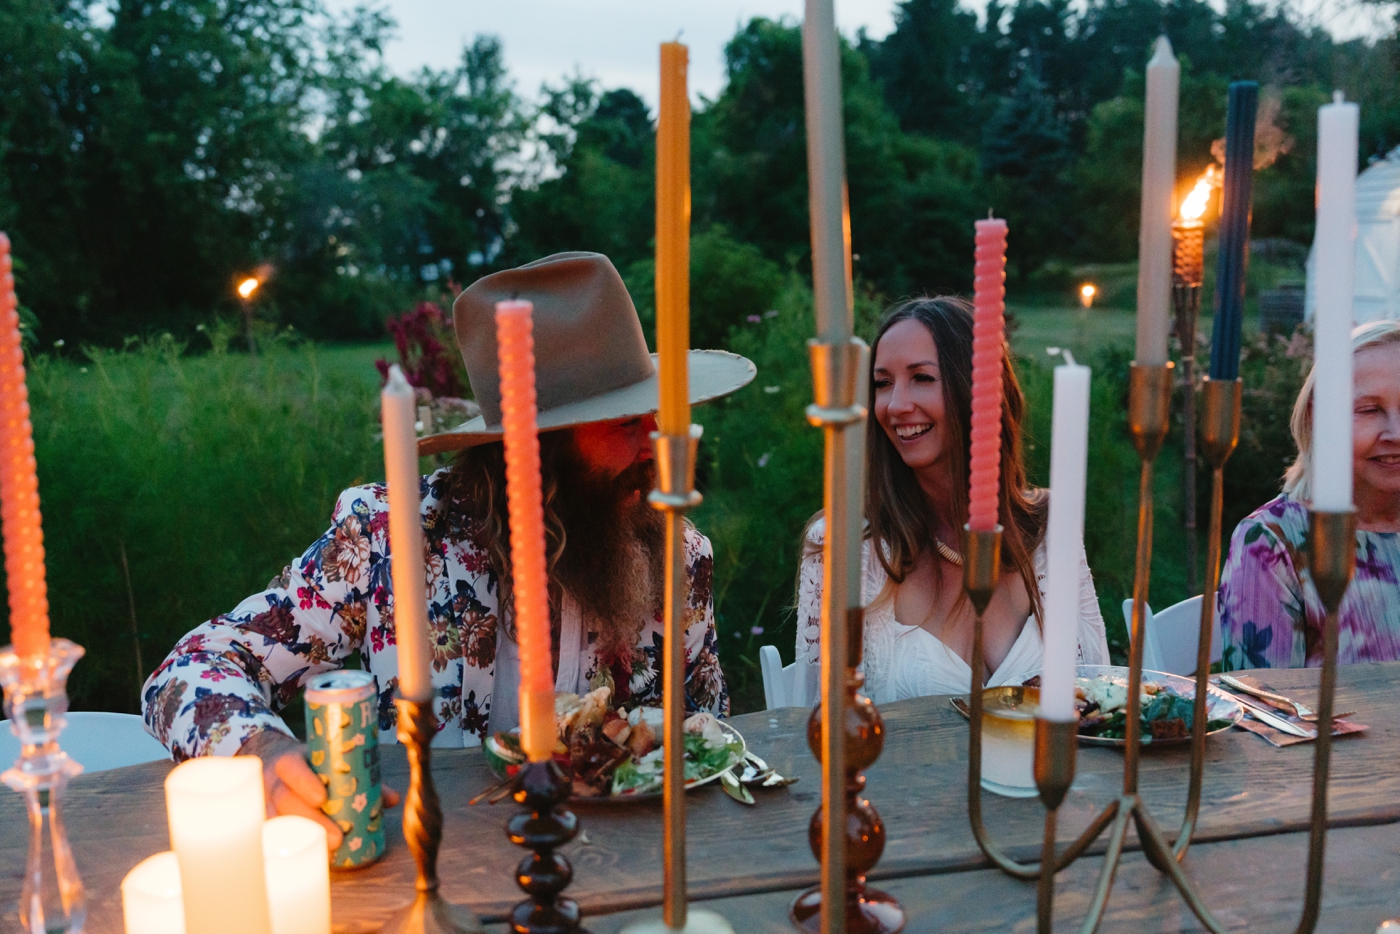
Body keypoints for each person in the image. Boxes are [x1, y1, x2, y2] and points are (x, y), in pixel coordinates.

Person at [141, 252, 755, 843]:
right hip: (431, 869)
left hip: (624, 879)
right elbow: (189, 670)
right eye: (627, 424)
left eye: (654, 415)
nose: (658, 442)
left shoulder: (676, 554)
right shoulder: (391, 537)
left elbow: (710, 737)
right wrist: (263, 752)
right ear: (539, 448)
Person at [795, 298, 1109, 703]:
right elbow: (810, 720)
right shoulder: (844, 545)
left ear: (978, 393)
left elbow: (1098, 689)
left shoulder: (1049, 525)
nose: (895, 405)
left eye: (922, 378)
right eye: (882, 383)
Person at [1219, 319, 1400, 670]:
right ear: (1321, 418)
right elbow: (1266, 710)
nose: (1395, 432)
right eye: (1369, 409)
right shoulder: (1273, 543)